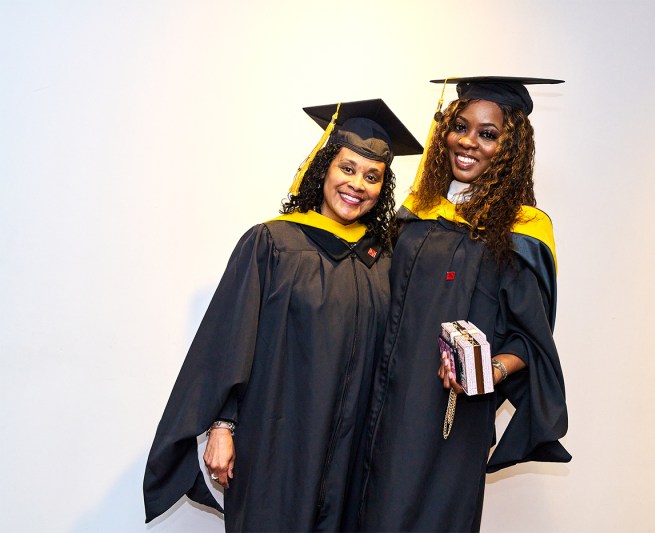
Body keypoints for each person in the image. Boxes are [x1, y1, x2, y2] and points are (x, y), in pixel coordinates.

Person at [142, 99, 422, 532]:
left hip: (351, 457)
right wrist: (221, 425)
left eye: (372, 176)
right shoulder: (271, 244)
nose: (357, 184)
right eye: (347, 168)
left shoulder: (383, 261)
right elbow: (230, 339)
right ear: (323, 168)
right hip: (276, 444)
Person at [354, 77, 571, 532]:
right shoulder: (416, 210)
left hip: (447, 416)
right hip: (376, 402)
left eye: (488, 134)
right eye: (460, 126)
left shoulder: (520, 231)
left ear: (509, 146)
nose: (469, 142)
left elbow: (530, 341)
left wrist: (491, 370)